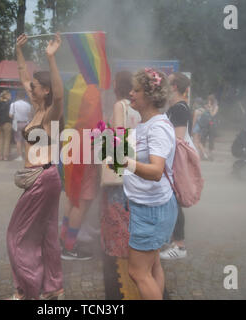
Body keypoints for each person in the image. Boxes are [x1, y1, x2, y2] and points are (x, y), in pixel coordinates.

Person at [6, 32, 64, 300]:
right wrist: (19, 51)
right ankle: (54, 289)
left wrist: (51, 58)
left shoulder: (51, 113)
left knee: (17, 236)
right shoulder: (37, 109)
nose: (29, 88)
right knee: (48, 235)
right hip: (48, 177)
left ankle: (26, 292)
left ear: (46, 90)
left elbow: (60, 97)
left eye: (35, 87)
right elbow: (23, 75)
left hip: (41, 179)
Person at [122, 68, 177, 300]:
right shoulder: (146, 124)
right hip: (148, 207)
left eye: (136, 90)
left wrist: (123, 161)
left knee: (137, 272)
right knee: (153, 267)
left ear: (150, 95)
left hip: (152, 211)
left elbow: (155, 171)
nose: (130, 93)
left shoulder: (158, 128)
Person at [99, 71, 141, 298]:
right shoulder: (138, 107)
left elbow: (117, 139)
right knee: (131, 211)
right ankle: (134, 253)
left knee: (117, 212)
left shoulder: (120, 106)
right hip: (136, 166)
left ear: (118, 86)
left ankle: (122, 260)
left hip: (120, 167)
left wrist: (102, 134)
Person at [159, 72, 191, 261]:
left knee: (175, 203)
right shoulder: (174, 108)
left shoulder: (180, 109)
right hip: (171, 161)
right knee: (171, 202)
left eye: (168, 83)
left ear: (174, 87)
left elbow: (178, 139)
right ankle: (173, 241)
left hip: (175, 162)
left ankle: (179, 246)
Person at [9, 90, 33, 161]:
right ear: (24, 96)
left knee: (18, 141)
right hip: (26, 123)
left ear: (17, 96)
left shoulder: (13, 105)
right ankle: (27, 156)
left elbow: (10, 115)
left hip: (17, 124)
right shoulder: (28, 105)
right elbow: (30, 115)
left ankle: (20, 156)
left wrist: (16, 117)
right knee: (26, 140)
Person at [0, 90, 13, 161]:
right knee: (7, 140)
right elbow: (11, 114)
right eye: (9, 95)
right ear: (7, 96)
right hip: (7, 123)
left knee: (0, 140)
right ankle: (5, 156)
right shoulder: (10, 104)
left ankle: (0, 156)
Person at [200, 94, 219, 160]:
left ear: (212, 101)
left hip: (212, 124)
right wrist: (206, 108)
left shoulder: (216, 107)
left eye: (210, 100)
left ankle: (211, 155)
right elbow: (203, 113)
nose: (209, 102)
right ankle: (202, 154)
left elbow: (212, 115)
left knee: (211, 140)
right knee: (203, 138)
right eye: (208, 100)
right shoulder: (207, 106)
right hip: (205, 124)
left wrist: (210, 108)